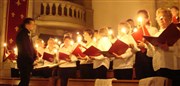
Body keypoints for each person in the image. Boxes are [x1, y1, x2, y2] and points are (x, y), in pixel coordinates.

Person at [146, 8, 180, 86]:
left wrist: (169, 48)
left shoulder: (176, 32)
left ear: (170, 18)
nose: (162, 20)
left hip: (173, 66)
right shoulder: (157, 34)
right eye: (160, 18)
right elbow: (150, 54)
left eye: (164, 18)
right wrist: (148, 44)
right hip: (160, 65)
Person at [134, 9, 158, 80]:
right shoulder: (136, 31)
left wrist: (145, 45)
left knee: (149, 77)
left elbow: (155, 45)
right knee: (140, 77)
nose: (140, 20)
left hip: (149, 56)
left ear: (147, 19)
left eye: (142, 18)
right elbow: (136, 47)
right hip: (139, 56)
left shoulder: (153, 30)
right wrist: (133, 46)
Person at [16, 18, 36, 86]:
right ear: (27, 25)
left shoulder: (27, 33)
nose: (34, 26)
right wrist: (31, 59)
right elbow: (25, 49)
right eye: (32, 24)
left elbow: (30, 48)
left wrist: (35, 56)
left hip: (26, 61)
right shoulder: (23, 34)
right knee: (24, 81)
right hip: (24, 61)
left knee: (25, 81)